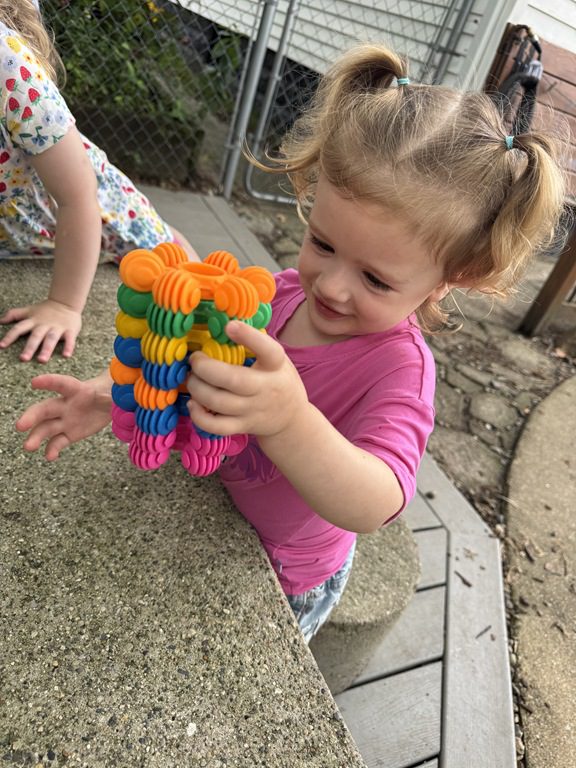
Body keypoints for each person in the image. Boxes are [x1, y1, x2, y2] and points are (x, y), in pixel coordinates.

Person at [15, 44, 566, 642]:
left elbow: (378, 501)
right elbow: (191, 359)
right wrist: (115, 392)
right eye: (322, 244)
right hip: (217, 503)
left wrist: (289, 420)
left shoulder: (399, 371)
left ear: (449, 278)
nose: (331, 285)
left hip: (287, 573)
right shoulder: (276, 293)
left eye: (376, 279)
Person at [0, 0, 198, 364]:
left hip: (101, 218)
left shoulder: (7, 64)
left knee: (182, 277)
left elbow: (78, 196)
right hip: (21, 228)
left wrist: (63, 305)